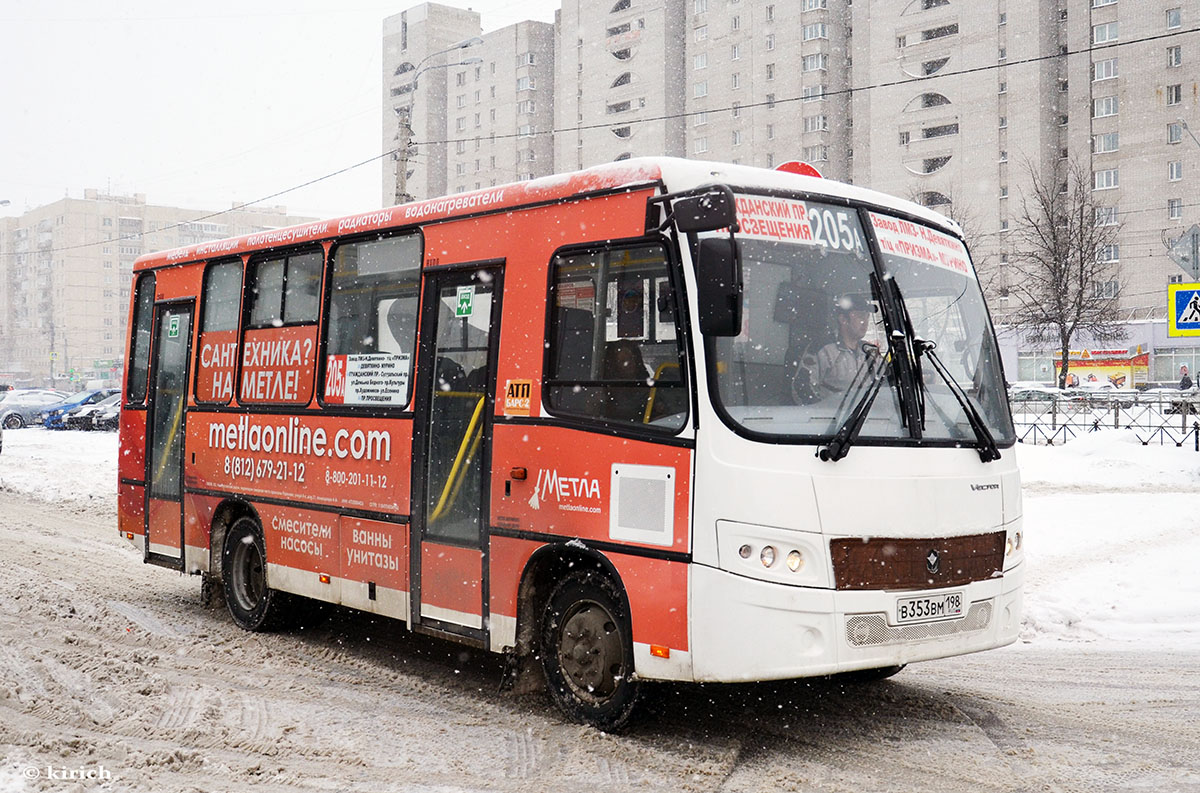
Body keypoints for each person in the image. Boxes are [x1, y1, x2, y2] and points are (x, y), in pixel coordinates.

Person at [814, 294, 877, 395]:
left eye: (867, 316)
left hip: (870, 410)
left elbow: (889, 386)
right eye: (860, 316)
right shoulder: (823, 351)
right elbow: (803, 391)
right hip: (832, 410)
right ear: (843, 319)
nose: (865, 322)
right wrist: (827, 409)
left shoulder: (871, 352)